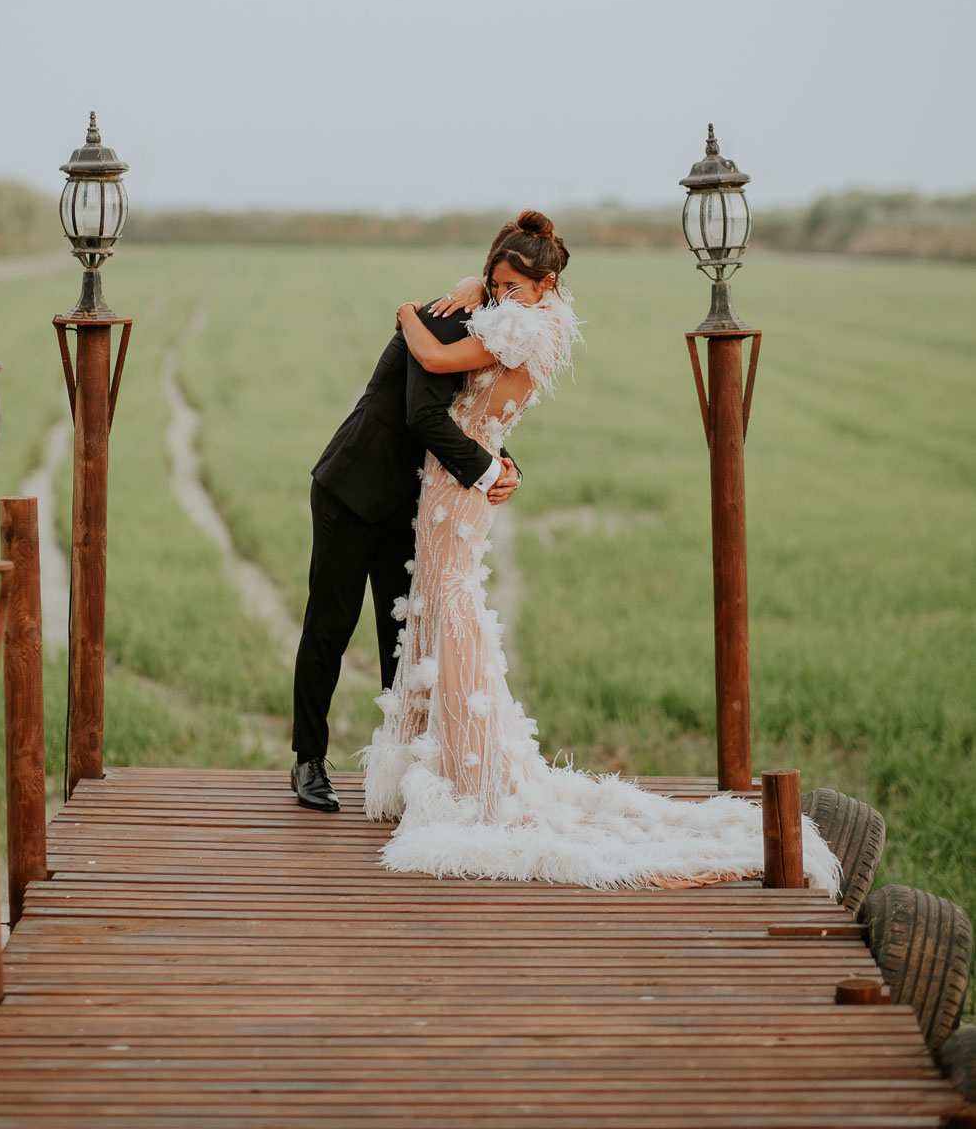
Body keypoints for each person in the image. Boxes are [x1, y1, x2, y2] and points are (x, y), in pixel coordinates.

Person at [363, 210, 841, 891]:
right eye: (496, 283)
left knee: (452, 609)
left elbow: (437, 359)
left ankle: (469, 777)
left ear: (546, 280)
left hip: (459, 484)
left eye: (512, 284)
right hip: (468, 476)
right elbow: (486, 345)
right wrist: (477, 284)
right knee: (445, 606)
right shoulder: (537, 317)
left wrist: (407, 309)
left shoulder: (522, 326)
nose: (501, 295)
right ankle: (441, 766)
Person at [290, 263, 524, 811]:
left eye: (525, 290)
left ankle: (406, 768)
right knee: (330, 624)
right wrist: (489, 472)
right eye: (505, 284)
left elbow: (471, 420)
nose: (513, 298)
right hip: (353, 488)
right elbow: (422, 415)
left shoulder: (497, 336)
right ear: (489, 278)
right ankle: (307, 760)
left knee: (404, 637)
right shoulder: (444, 320)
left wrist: (508, 461)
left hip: (411, 503)